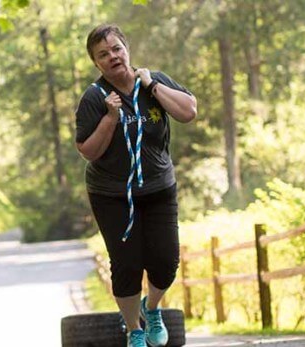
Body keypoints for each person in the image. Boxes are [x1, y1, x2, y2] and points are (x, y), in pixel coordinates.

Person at [74, 24, 197, 347]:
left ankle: (151, 308)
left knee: (166, 261)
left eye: (116, 49)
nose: (112, 56)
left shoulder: (152, 80)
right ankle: (134, 330)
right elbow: (88, 151)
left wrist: (153, 86)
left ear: (126, 49)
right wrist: (110, 118)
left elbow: (188, 112)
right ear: (96, 63)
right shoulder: (94, 97)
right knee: (126, 264)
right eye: (103, 54)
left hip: (158, 188)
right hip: (112, 195)